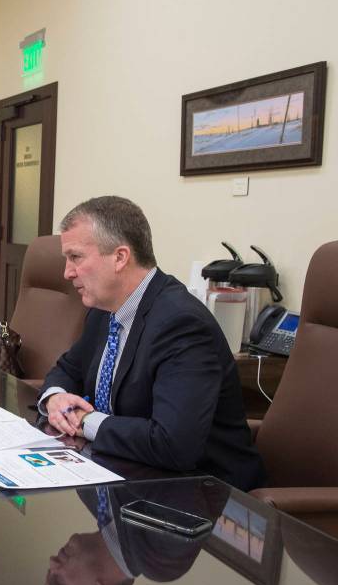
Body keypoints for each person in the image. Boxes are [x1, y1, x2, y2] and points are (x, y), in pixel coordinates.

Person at [39, 196, 265, 491]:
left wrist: (84, 422)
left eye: (76, 257)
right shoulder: (104, 310)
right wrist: (55, 398)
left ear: (120, 257)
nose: (67, 272)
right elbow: (68, 369)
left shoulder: (182, 324)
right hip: (125, 474)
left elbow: (174, 443)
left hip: (205, 495)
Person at [43, 479, 229, 585]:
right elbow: (175, 466)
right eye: (57, 581)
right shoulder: (160, 559)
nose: (52, 563)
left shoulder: (86, 492)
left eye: (49, 573)